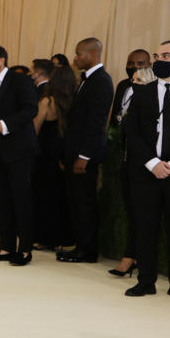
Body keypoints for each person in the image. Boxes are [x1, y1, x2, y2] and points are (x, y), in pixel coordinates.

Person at [123, 41, 170, 300]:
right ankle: (146, 280)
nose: (159, 59)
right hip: (147, 173)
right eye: (156, 55)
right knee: (146, 227)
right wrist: (152, 163)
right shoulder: (142, 92)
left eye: (165, 55)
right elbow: (131, 132)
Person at [0, 45, 40, 265]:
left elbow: (31, 109)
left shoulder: (19, 80)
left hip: (18, 149)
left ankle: (25, 249)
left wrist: (3, 125)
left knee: (21, 200)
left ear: (1, 61)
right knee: (1, 201)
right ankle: (6, 247)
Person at [57, 38, 115, 263]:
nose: (75, 58)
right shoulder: (87, 80)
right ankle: (80, 245)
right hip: (75, 151)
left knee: (85, 203)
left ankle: (88, 250)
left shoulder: (101, 81)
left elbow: (96, 123)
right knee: (76, 201)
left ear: (91, 54)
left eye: (78, 53)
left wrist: (83, 156)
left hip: (86, 155)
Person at [109, 50, 153, 277]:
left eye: (139, 79)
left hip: (146, 166)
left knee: (142, 213)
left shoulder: (152, 106)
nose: (133, 80)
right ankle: (131, 255)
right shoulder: (125, 91)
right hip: (127, 162)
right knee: (131, 211)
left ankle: (134, 257)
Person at [30, 63, 75, 251]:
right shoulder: (73, 101)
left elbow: (35, 129)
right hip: (64, 151)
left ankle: (44, 237)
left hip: (45, 152)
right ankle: (62, 238)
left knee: (43, 196)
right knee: (60, 196)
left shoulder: (47, 102)